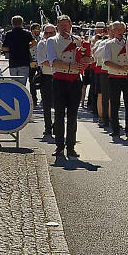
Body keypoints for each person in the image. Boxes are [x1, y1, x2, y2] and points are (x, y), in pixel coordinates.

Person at [37, 14, 86, 160]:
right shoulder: (51, 41)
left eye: (66, 24)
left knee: (72, 116)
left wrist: (87, 58)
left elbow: (86, 57)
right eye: (61, 25)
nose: (64, 27)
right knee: (59, 114)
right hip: (59, 80)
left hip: (75, 80)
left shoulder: (77, 40)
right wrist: (71, 65)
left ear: (71, 25)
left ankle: (71, 147)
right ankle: (59, 145)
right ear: (57, 26)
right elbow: (53, 61)